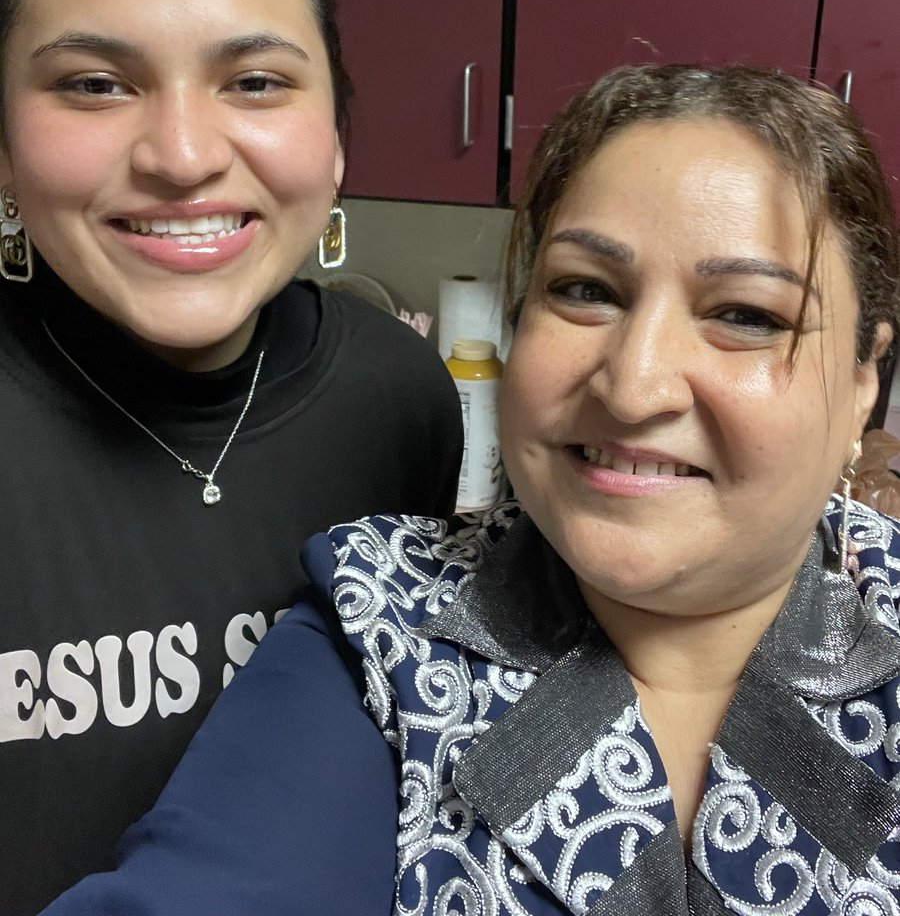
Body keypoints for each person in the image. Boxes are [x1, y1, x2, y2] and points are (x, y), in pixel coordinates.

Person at [42, 64, 900, 915]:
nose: (634, 386)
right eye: (585, 291)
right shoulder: (384, 629)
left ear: (864, 379)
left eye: (746, 315)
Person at [0, 0, 463, 914]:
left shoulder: (400, 400)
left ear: (337, 130)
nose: (180, 152)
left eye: (253, 81)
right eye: (95, 83)